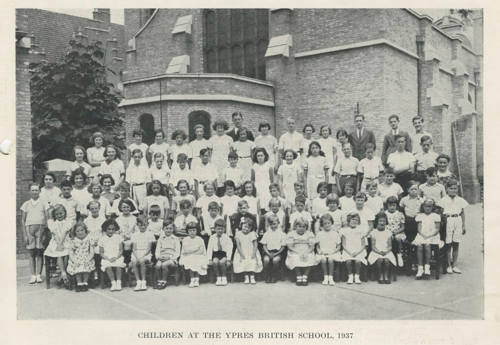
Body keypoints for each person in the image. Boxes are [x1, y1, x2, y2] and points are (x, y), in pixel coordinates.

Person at [438, 179, 468, 274]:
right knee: (448, 244)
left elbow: (462, 213)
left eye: (455, 188)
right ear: (447, 189)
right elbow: (440, 214)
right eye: (451, 188)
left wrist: (463, 225)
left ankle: (454, 265)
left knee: (456, 243)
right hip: (448, 221)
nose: (453, 190)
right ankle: (448, 266)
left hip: (457, 220)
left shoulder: (460, 200)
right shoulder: (443, 200)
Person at [21, 183, 47, 284]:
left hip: (40, 228)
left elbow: (47, 217)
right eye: (33, 190)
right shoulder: (26, 204)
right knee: (31, 253)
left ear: (39, 191)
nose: (35, 192)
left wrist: (45, 231)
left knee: (39, 252)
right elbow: (23, 220)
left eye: (36, 190)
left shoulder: (44, 203)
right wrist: (25, 234)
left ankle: (38, 275)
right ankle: (32, 275)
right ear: (29, 191)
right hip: (29, 229)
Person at [44, 204, 74, 287]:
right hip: (56, 241)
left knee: (67, 253)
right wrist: (59, 244)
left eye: (61, 213)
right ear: (54, 215)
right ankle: (64, 273)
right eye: (57, 214)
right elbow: (55, 234)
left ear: (64, 213)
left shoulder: (68, 221)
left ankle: (62, 275)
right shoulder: (52, 223)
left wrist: (61, 244)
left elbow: (65, 233)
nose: (59, 215)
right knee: (59, 254)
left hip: (66, 240)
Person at [285, 217, 317, 286]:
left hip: (307, 250)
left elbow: (312, 246)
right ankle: (298, 275)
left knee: (310, 257)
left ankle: (305, 276)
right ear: (295, 226)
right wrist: (298, 252)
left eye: (303, 227)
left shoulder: (310, 234)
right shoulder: (291, 234)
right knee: (295, 257)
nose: (301, 228)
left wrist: (307, 252)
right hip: (295, 251)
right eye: (299, 226)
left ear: (306, 227)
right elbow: (290, 247)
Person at [414, 199, 441, 279]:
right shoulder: (420, 216)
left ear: (432, 207)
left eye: (430, 206)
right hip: (421, 235)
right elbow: (419, 229)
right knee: (419, 246)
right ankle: (420, 268)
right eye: (426, 206)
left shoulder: (436, 216)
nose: (427, 208)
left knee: (427, 245)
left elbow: (437, 229)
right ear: (423, 207)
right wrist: (423, 235)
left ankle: (427, 267)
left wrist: (429, 236)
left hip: (433, 235)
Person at [368, 212, 396, 284]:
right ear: (377, 222)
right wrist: (379, 252)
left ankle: (386, 276)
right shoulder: (373, 232)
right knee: (379, 260)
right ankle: (380, 276)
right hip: (376, 251)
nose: (382, 223)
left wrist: (386, 252)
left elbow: (390, 246)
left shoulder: (388, 232)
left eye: (383, 221)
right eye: (380, 221)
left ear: (386, 222)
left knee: (387, 260)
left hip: (387, 251)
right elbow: (373, 246)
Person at [67, 222, 95, 292]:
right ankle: (79, 283)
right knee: (77, 266)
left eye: (82, 230)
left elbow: (91, 251)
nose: (80, 232)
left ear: (85, 230)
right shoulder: (73, 241)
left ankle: (85, 283)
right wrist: (74, 260)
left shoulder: (89, 239)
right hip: (76, 258)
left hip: (86, 257)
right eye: (78, 231)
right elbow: (71, 252)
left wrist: (88, 259)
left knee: (87, 265)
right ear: (75, 232)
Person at [99, 218, 125, 291]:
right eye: (109, 229)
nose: (111, 231)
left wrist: (116, 257)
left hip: (117, 256)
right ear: (105, 229)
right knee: (108, 266)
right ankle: (113, 282)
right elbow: (101, 252)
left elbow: (121, 250)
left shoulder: (118, 237)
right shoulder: (102, 239)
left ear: (115, 229)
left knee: (118, 265)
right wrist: (108, 258)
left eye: (113, 229)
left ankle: (118, 282)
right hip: (107, 257)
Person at [340, 212, 366, 284]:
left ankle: (357, 276)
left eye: (356, 220)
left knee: (358, 261)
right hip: (348, 250)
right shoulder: (345, 231)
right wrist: (349, 252)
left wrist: (357, 252)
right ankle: (350, 276)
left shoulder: (361, 230)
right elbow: (344, 245)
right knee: (348, 261)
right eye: (352, 219)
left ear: (358, 221)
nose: (354, 221)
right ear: (348, 221)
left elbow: (363, 245)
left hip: (359, 250)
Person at [179, 221, 208, 287]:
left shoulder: (200, 239)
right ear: (187, 231)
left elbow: (201, 251)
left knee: (197, 260)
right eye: (190, 230)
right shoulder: (185, 239)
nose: (192, 232)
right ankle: (192, 279)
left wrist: (192, 252)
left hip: (198, 255)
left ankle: (197, 279)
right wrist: (195, 250)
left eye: (194, 230)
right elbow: (186, 250)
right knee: (191, 260)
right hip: (187, 256)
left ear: (196, 231)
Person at [260, 214, 287, 283]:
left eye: (274, 224)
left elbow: (283, 247)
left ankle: (274, 275)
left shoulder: (282, 234)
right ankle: (267, 275)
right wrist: (268, 253)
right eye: (271, 224)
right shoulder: (267, 234)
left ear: (278, 223)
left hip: (278, 252)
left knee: (275, 260)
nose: (273, 226)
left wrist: (276, 254)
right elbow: (264, 245)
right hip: (268, 252)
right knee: (266, 260)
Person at [316, 214, 342, 286]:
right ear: (322, 225)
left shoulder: (335, 233)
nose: (327, 225)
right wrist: (319, 251)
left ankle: (331, 277)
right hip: (323, 252)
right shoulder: (319, 234)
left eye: (328, 223)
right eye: (325, 223)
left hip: (333, 252)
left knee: (330, 259)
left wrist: (333, 252)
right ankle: (325, 277)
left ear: (332, 223)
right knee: (323, 260)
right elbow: (317, 246)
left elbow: (339, 246)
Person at [131, 216, 155, 291]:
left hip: (146, 253)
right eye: (140, 225)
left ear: (147, 224)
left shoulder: (150, 234)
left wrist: (142, 256)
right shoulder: (135, 235)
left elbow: (149, 249)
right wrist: (137, 256)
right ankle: (138, 281)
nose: (143, 227)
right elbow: (134, 249)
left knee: (141, 261)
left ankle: (144, 281)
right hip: (137, 253)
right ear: (137, 225)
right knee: (134, 261)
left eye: (144, 225)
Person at [154, 220, 181, 289]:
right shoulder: (161, 239)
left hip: (171, 258)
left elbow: (177, 252)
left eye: (170, 228)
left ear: (173, 229)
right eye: (166, 228)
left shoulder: (175, 239)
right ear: (163, 229)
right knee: (157, 265)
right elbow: (157, 250)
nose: (168, 230)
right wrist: (158, 257)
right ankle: (159, 280)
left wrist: (169, 258)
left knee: (164, 265)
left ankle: (164, 281)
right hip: (162, 257)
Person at [206, 218, 233, 286]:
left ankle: (224, 277)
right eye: (218, 229)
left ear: (224, 229)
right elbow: (209, 249)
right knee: (215, 262)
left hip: (224, 254)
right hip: (215, 254)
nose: (220, 230)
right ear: (215, 229)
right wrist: (209, 259)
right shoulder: (212, 237)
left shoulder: (227, 238)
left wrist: (229, 259)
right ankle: (218, 277)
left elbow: (230, 249)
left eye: (222, 229)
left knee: (222, 262)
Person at [210, 119, 233, 194]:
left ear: (224, 128)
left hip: (226, 162)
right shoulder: (212, 139)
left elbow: (231, 152)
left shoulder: (229, 139)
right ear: (215, 128)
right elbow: (210, 152)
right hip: (215, 162)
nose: (220, 129)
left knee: (225, 178)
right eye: (218, 127)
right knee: (216, 179)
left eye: (221, 127)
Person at [385, 196, 406, 267]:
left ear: (396, 206)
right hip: (387, 232)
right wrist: (389, 232)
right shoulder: (385, 214)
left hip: (398, 232)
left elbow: (403, 227)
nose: (392, 207)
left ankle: (399, 254)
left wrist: (396, 232)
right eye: (390, 205)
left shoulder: (400, 214)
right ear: (387, 205)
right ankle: (388, 254)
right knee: (388, 237)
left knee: (398, 238)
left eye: (394, 205)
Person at [251, 148, 274, 212]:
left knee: (267, 202)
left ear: (265, 156)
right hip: (258, 187)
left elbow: (272, 180)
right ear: (256, 157)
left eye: (261, 155)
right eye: (258, 156)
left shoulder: (269, 166)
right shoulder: (254, 167)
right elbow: (252, 179)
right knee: (259, 204)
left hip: (267, 187)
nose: (260, 157)